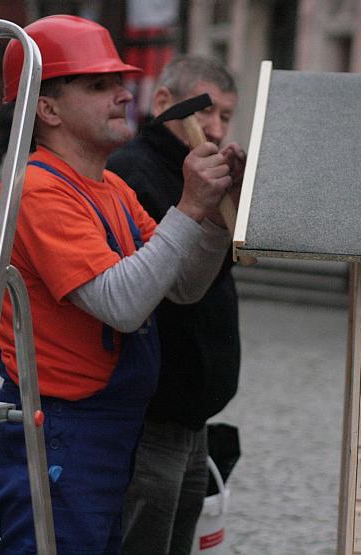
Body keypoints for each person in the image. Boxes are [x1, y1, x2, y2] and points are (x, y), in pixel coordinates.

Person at [0, 15, 246, 554]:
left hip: (106, 427)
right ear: (47, 108)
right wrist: (190, 205)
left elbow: (183, 287)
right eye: (98, 85)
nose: (123, 95)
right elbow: (122, 304)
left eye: (119, 81)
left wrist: (215, 219)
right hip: (60, 428)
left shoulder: (112, 188)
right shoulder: (37, 191)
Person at [107, 56, 241, 555]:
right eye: (207, 110)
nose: (215, 127)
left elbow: (209, 277)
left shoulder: (205, 175)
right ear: (163, 102)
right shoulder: (132, 171)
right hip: (153, 411)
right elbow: (163, 287)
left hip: (193, 415)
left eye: (226, 116)